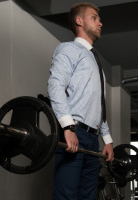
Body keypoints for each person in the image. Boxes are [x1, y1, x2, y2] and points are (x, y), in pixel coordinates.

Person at [47, 2, 114, 200]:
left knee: (88, 196)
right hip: (75, 133)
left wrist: (107, 140)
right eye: (94, 18)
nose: (100, 23)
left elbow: (97, 106)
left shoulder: (96, 63)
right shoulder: (69, 49)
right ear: (79, 21)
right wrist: (68, 128)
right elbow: (55, 85)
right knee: (66, 196)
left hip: (93, 140)